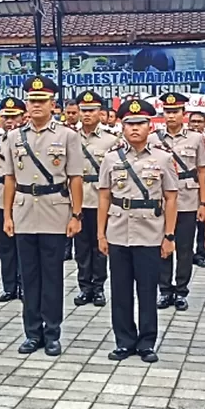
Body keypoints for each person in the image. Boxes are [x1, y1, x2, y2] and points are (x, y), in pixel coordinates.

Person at [2, 76, 85, 357]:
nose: (36, 105)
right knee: (29, 276)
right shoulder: (14, 137)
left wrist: (76, 214)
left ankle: (52, 332)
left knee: (52, 275)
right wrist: (7, 215)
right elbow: (10, 178)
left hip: (54, 209)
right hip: (24, 210)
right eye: (32, 101)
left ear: (53, 104)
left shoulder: (67, 136)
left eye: (41, 101)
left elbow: (75, 178)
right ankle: (31, 332)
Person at [98, 98, 179, 363]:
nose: (134, 128)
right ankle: (124, 341)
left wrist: (169, 236)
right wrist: (101, 233)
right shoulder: (110, 159)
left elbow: (171, 199)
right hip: (119, 230)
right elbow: (104, 197)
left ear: (150, 126)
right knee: (120, 291)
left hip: (150, 232)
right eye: (129, 124)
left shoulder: (164, 158)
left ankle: (146, 342)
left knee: (147, 290)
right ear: (122, 126)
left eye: (140, 123)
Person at [148, 93, 205, 312]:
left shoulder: (196, 138)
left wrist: (204, 203)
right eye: (168, 112)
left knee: (184, 248)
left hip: (188, 199)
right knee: (162, 246)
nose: (171, 116)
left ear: (184, 113)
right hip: (161, 199)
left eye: (175, 112)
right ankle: (165, 290)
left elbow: (202, 171)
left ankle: (181, 291)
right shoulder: (153, 139)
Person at [73, 90, 120, 307]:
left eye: (92, 110)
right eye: (83, 110)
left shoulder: (111, 140)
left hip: (101, 200)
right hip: (78, 200)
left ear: (100, 112)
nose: (87, 114)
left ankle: (99, 286)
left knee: (100, 246)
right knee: (81, 248)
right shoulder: (70, 137)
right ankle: (85, 287)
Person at [0, 96, 25, 302]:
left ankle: (24, 285)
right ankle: (9, 286)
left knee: (23, 245)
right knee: (5, 246)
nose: (9, 121)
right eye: (5, 116)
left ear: (23, 117)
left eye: (14, 116)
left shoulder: (26, 140)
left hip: (22, 196)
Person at [188, 111, 205, 268]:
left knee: (203, 222)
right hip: (189, 186)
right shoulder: (184, 140)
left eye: (199, 122)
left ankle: (200, 254)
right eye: (193, 122)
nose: (196, 124)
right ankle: (187, 253)